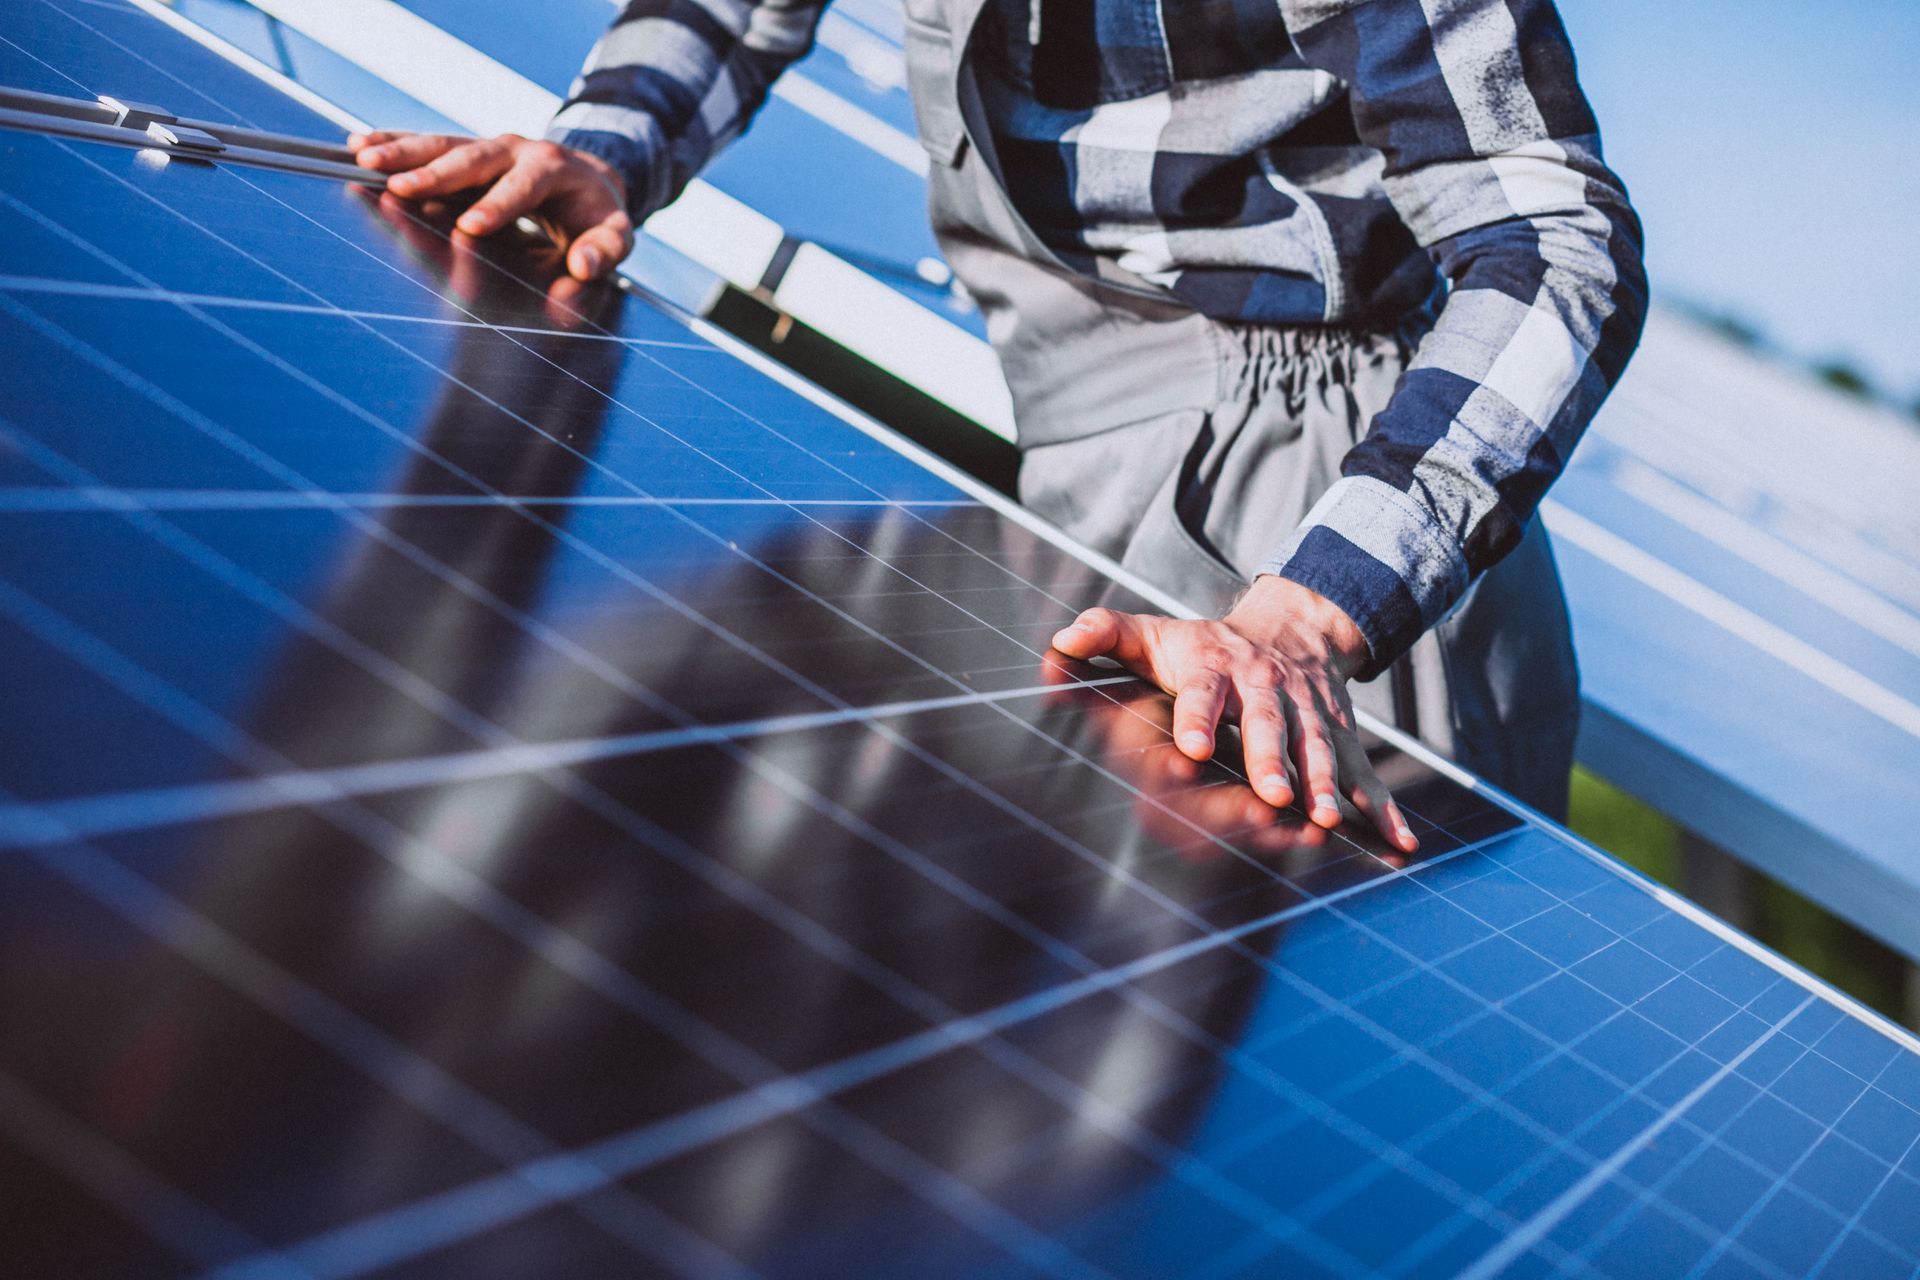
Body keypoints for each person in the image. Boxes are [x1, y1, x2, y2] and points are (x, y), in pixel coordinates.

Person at [349, 0, 1646, 850]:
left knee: (1350, 1128)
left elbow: (1555, 243)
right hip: (1083, 471)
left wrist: (1317, 606)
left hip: (1328, 523)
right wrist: (607, 149)